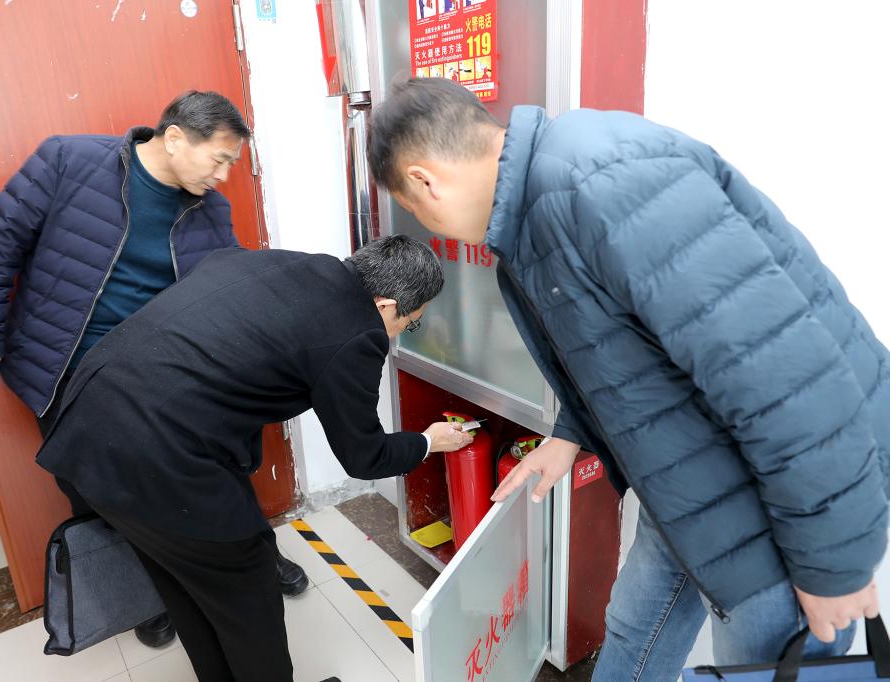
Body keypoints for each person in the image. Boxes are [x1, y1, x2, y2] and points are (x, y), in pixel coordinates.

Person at [368, 78, 889, 679]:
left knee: (760, 663)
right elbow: (613, 349)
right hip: (689, 478)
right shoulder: (532, 218)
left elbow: (785, 376)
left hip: (780, 499)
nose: (428, 225)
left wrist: (831, 563)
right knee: (635, 631)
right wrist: (569, 436)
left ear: (424, 181)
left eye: (413, 208)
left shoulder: (603, 180)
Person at [0, 90, 309, 649]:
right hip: (67, 369)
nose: (223, 177)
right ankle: (144, 593)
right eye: (219, 160)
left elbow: (225, 289)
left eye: (231, 165)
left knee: (219, 466)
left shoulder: (210, 209)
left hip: (160, 372)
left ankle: (256, 557)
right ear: (175, 138)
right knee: (97, 490)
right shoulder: (67, 161)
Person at [35, 235, 473, 681]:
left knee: (183, 582)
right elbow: (366, 457)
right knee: (248, 591)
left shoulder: (278, 264)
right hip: (156, 454)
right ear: (385, 305)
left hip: (85, 421)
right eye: (410, 323)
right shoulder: (358, 331)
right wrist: (427, 441)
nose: (402, 332)